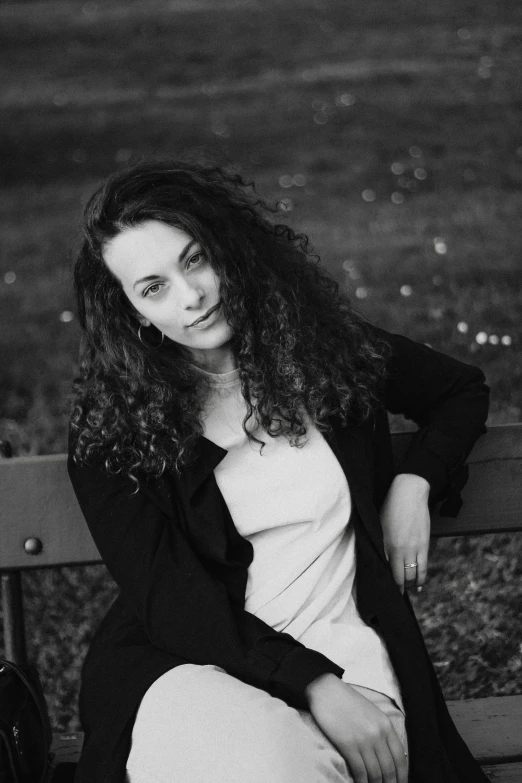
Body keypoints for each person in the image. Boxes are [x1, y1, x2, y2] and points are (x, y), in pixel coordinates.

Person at [67, 157, 490, 783]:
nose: (192, 296)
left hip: (346, 651)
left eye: (194, 259)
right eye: (152, 287)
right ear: (131, 310)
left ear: (229, 249)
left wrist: (413, 482)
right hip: (193, 667)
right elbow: (174, 606)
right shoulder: (114, 430)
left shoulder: (324, 350)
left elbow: (459, 390)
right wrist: (314, 685)